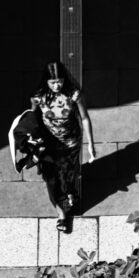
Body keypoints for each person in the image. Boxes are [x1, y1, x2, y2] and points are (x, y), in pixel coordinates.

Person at [30, 60, 96, 233]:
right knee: (51, 179)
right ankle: (61, 213)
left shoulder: (74, 95)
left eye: (59, 81)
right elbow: (32, 120)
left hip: (70, 143)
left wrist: (91, 144)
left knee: (66, 175)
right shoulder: (39, 98)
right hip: (48, 145)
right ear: (46, 81)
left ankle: (69, 193)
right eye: (52, 82)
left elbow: (85, 118)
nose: (57, 85)